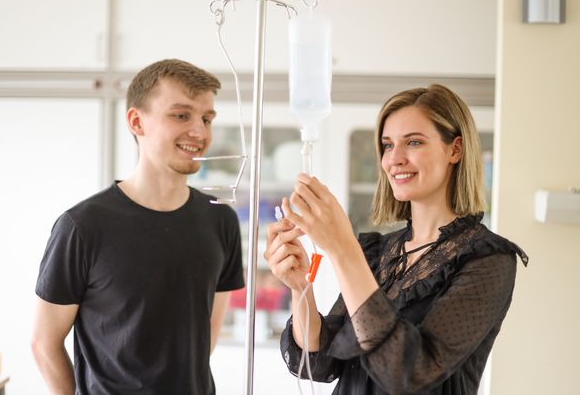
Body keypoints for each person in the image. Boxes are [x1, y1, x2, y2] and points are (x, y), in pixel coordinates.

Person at [264, 84, 528, 395]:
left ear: (455, 150)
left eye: (413, 142)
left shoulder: (487, 259)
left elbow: (409, 373)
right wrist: (300, 288)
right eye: (387, 145)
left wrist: (341, 248)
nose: (394, 159)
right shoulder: (378, 252)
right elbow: (322, 362)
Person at [31, 59, 244, 395]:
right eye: (181, 115)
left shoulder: (220, 219)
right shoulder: (82, 226)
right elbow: (44, 344)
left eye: (206, 119)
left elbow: (206, 338)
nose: (200, 132)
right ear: (136, 121)